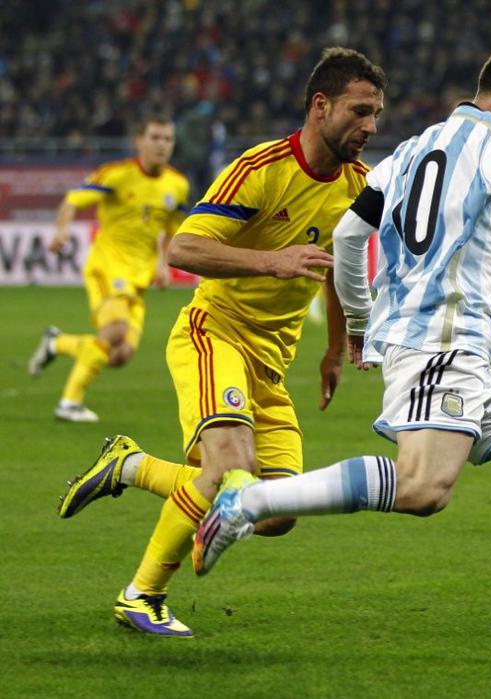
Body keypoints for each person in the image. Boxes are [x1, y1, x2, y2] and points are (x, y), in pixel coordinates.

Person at [192, 43, 491, 647]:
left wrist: (359, 321)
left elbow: (348, 237)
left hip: (446, 347)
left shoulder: (408, 150)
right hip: (441, 344)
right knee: (423, 488)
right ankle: (249, 501)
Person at [55, 48, 387, 636]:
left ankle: (129, 466)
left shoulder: (360, 186)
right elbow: (183, 248)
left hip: (271, 364)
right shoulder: (261, 168)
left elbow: (340, 268)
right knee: (231, 470)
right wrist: (271, 260)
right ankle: (142, 595)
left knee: (275, 510)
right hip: (215, 334)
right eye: (360, 111)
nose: (371, 126)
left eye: (377, 114)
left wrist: (336, 349)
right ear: (320, 105)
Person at [28, 116, 189, 421]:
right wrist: (62, 231)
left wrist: (163, 263)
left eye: (167, 139)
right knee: (115, 331)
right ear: (139, 141)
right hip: (108, 265)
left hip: (139, 276)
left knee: (120, 354)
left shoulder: (177, 185)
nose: (162, 145)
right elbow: (72, 201)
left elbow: (172, 228)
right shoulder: (117, 174)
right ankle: (69, 403)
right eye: (155, 137)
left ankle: (56, 343)